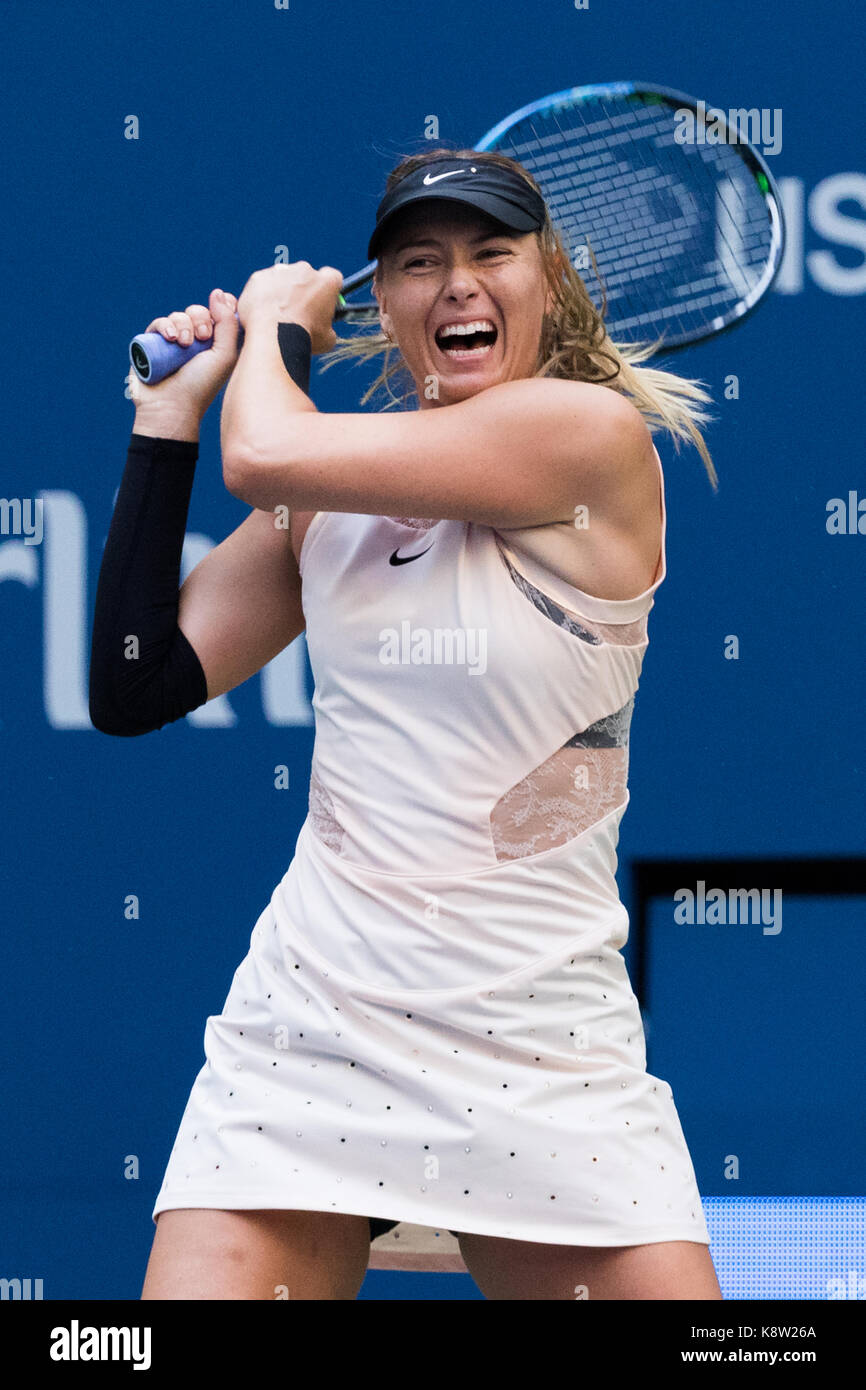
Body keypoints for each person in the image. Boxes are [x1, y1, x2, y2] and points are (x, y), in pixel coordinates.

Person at [90, 148, 722, 1300]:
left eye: (490, 253)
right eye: (419, 263)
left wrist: (276, 325)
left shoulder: (585, 436)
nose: (458, 284)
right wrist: (166, 414)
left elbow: (266, 449)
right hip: (311, 1030)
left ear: (550, 285)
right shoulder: (323, 512)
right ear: (384, 303)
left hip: (540, 1040)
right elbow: (137, 683)